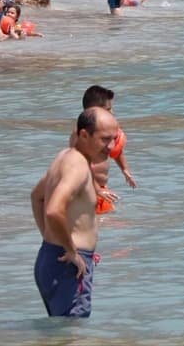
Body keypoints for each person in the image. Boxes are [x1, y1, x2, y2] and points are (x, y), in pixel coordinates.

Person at [31, 107, 120, 317]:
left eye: (114, 139)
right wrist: (70, 250)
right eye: (105, 139)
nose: (112, 147)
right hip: (69, 265)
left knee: (61, 335)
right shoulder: (78, 166)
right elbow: (53, 210)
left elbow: (36, 197)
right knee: (73, 335)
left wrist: (50, 241)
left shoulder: (64, 157)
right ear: (83, 135)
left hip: (50, 259)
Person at [77, 85, 136, 214]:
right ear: (95, 110)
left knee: (107, 222)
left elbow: (117, 150)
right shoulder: (84, 135)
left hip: (102, 189)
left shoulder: (106, 131)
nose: (112, 113)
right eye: (108, 110)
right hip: (87, 189)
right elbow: (81, 166)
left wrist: (124, 169)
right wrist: (97, 190)